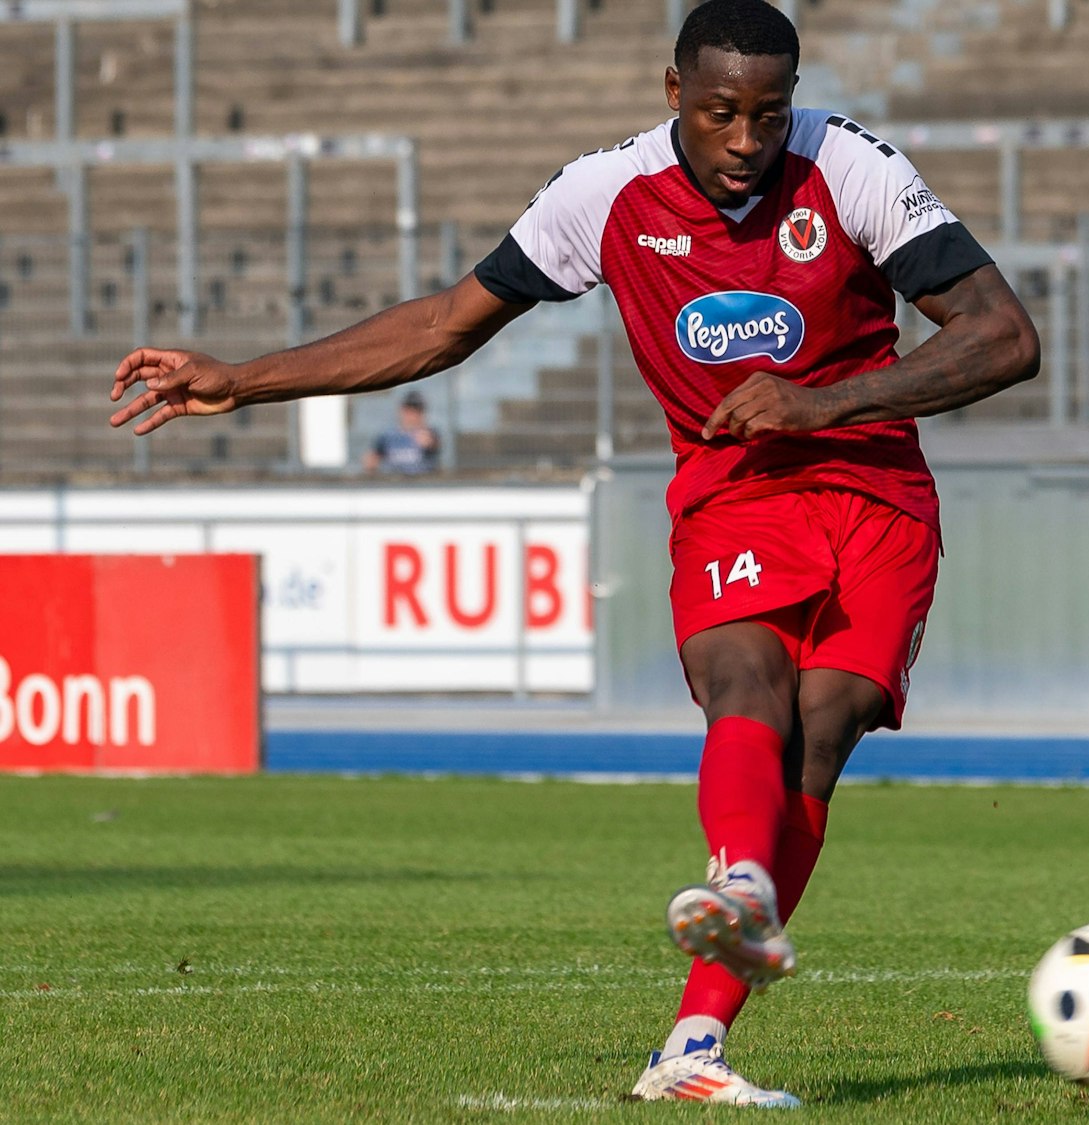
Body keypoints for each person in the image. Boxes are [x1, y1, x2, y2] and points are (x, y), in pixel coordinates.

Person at [106, 0, 1040, 1108]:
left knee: (822, 734)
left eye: (769, 113)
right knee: (744, 679)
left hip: (874, 492)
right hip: (735, 488)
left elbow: (1003, 337)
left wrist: (822, 403)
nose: (747, 139)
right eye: (720, 112)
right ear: (673, 93)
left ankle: (691, 1046)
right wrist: (243, 379)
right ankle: (739, 882)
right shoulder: (603, 195)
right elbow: (445, 325)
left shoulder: (852, 168)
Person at [362, 391, 440, 474]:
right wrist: (371, 463)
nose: (412, 415)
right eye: (408, 410)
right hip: (393, 479)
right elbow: (371, 459)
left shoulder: (430, 433)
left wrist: (430, 443)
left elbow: (436, 446)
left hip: (422, 479)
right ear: (401, 411)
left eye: (416, 411)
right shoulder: (386, 436)